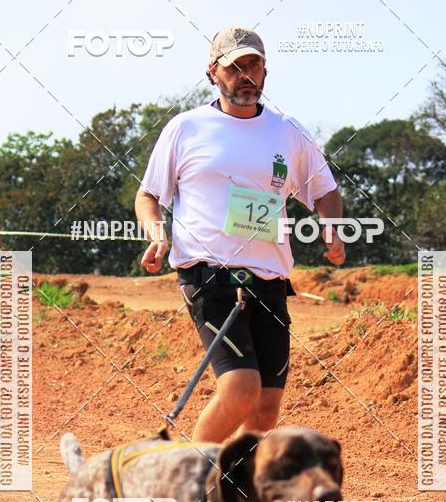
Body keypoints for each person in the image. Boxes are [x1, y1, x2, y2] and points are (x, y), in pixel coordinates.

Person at [135, 25, 345, 442]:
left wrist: (331, 227)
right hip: (209, 277)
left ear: (266, 71)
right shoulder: (186, 128)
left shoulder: (289, 132)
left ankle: (233, 495)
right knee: (240, 388)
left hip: (270, 280)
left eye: (254, 65)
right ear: (213, 72)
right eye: (235, 67)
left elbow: (325, 190)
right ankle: (193, 483)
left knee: (265, 411)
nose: (245, 75)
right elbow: (149, 196)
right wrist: (158, 233)